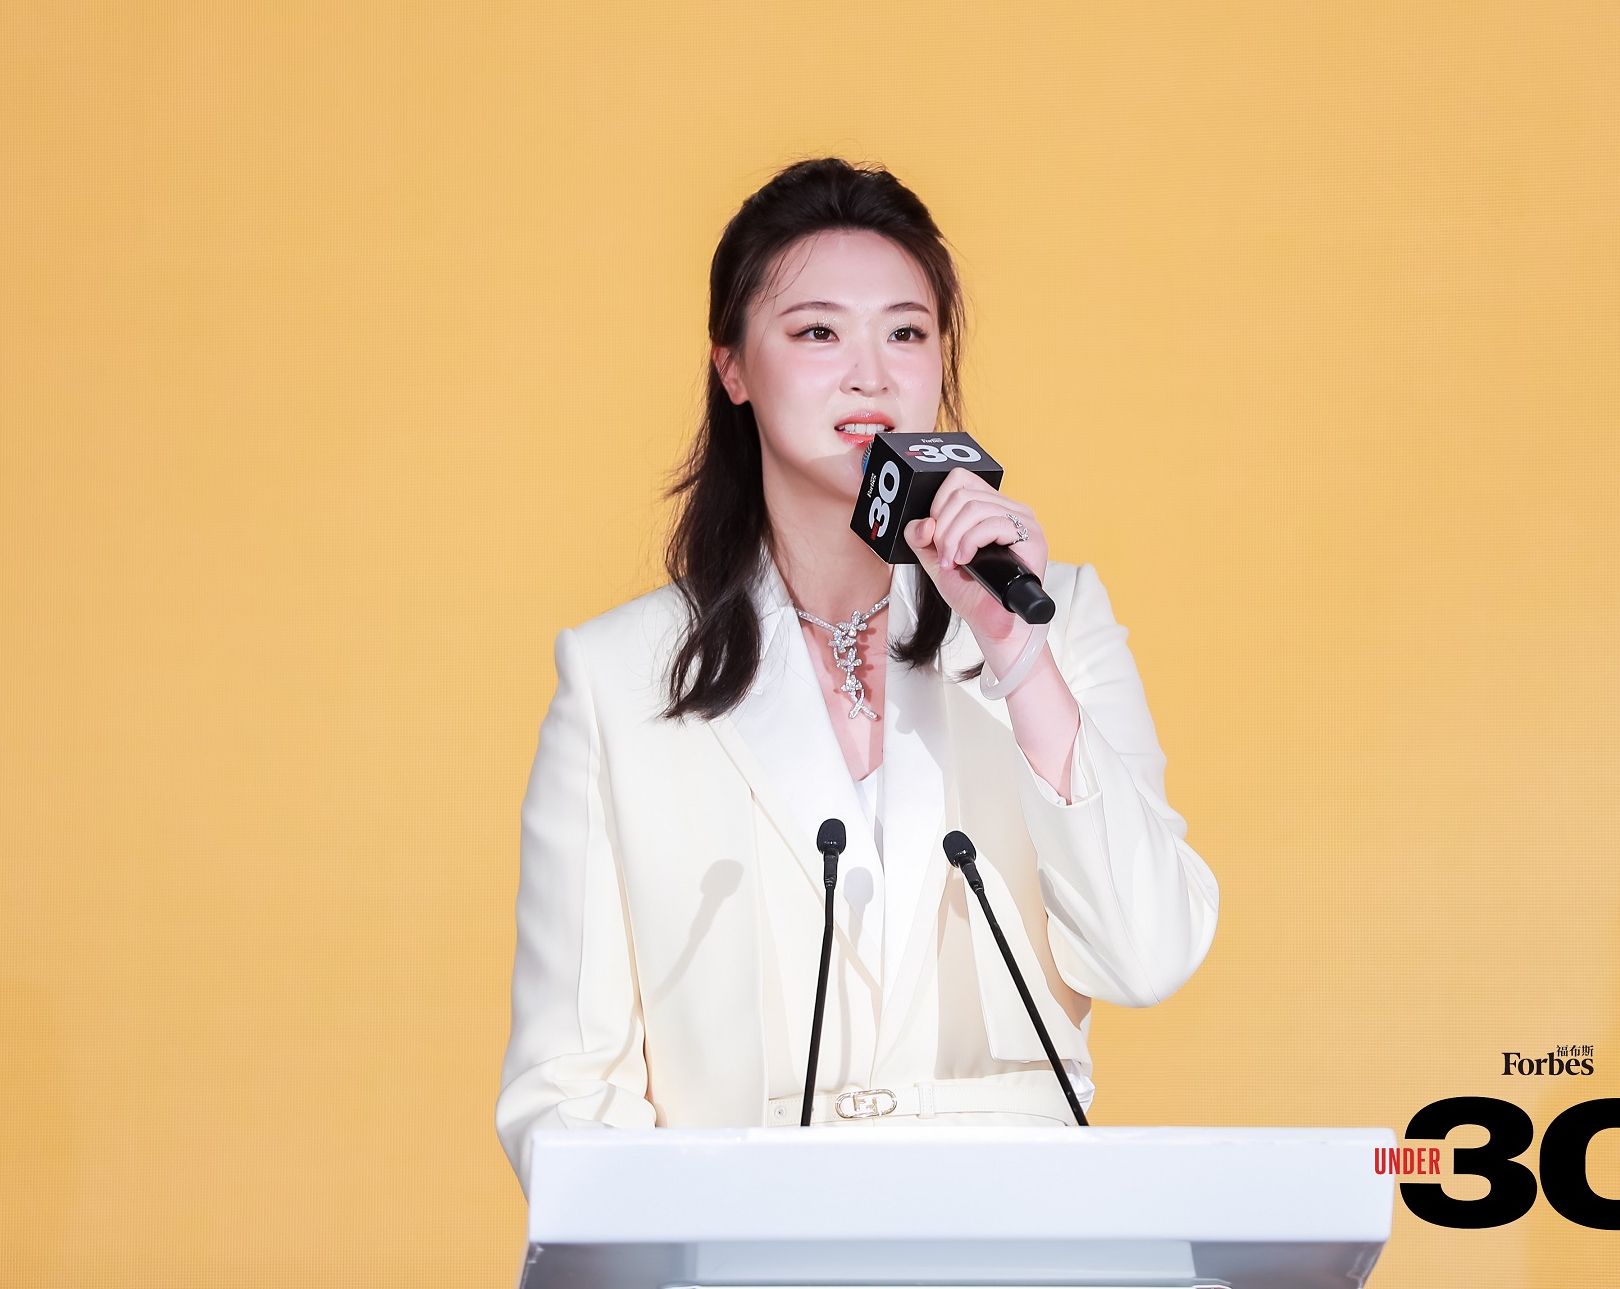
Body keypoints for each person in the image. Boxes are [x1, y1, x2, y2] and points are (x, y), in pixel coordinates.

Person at [496, 157, 1220, 1186]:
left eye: (907, 332)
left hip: (1015, 1222)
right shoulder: (620, 675)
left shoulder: (1054, 615)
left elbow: (1150, 953)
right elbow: (568, 1088)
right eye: (817, 332)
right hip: (745, 1226)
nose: (871, 374)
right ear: (732, 368)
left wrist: (1019, 659)